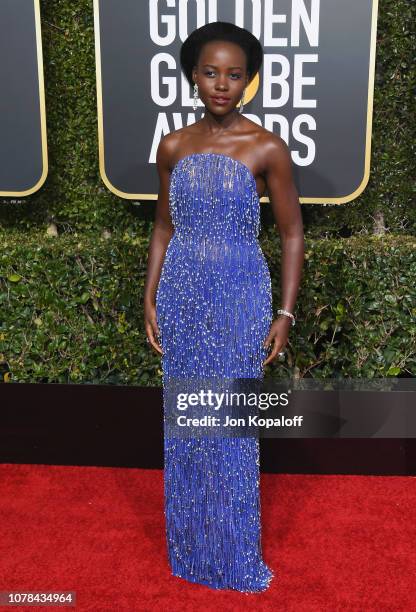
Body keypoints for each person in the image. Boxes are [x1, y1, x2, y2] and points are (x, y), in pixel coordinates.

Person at [144, 21, 304, 592]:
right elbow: (163, 227)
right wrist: (151, 295)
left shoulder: (266, 147)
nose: (222, 84)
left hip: (240, 296)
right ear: (192, 76)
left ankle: (233, 554)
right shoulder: (173, 146)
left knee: (230, 426)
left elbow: (291, 235)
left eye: (234, 75)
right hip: (182, 293)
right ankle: (190, 549)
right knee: (188, 423)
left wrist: (283, 314)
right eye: (211, 72)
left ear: (248, 81)